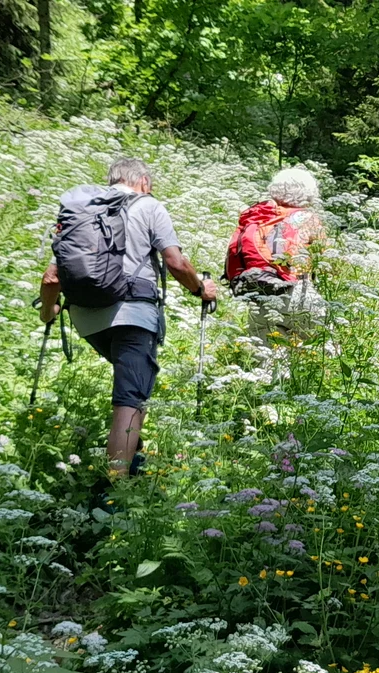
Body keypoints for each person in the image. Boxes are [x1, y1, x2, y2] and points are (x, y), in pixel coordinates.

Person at [38, 157, 218, 481]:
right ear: (144, 183)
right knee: (130, 398)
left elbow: (52, 277)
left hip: (86, 319)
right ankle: (116, 488)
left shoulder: (84, 211)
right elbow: (175, 262)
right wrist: (200, 289)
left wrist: (48, 311)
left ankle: (133, 460)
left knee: (131, 383)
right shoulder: (149, 206)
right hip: (133, 312)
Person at [225, 167, 328, 344]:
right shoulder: (308, 218)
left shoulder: (258, 218)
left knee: (269, 364)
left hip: (261, 297)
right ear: (309, 192)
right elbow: (326, 262)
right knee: (326, 347)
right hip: (297, 294)